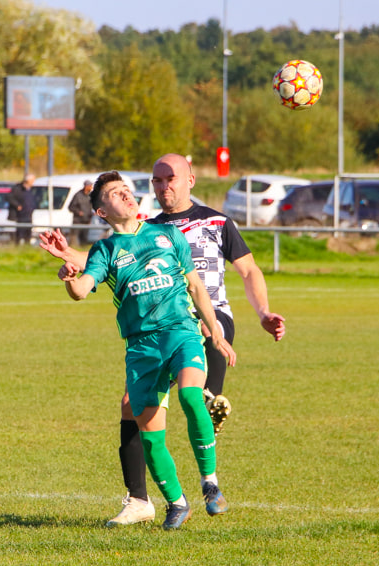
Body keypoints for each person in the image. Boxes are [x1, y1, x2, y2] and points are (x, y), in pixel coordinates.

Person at [39, 153, 285, 526]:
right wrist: (68, 266)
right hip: (146, 338)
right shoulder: (138, 231)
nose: (161, 185)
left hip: (200, 321)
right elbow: (100, 265)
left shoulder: (212, 222)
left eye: (169, 177)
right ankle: (153, 499)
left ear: (190, 179)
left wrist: (254, 316)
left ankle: (208, 473)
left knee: (193, 395)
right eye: (155, 179)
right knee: (137, 413)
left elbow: (238, 272)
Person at [8, 173, 36, 245]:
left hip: (29, 215)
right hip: (20, 216)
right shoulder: (18, 189)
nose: (33, 182)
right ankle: (17, 248)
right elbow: (9, 197)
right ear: (28, 181)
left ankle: (27, 248)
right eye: (32, 180)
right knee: (19, 235)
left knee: (28, 234)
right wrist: (17, 205)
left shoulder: (30, 190)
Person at [67, 179, 94, 245]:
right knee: (74, 240)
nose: (91, 187)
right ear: (86, 186)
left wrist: (92, 214)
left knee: (84, 240)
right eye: (90, 186)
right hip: (78, 221)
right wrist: (78, 212)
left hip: (86, 221)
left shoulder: (90, 196)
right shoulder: (78, 195)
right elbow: (70, 207)